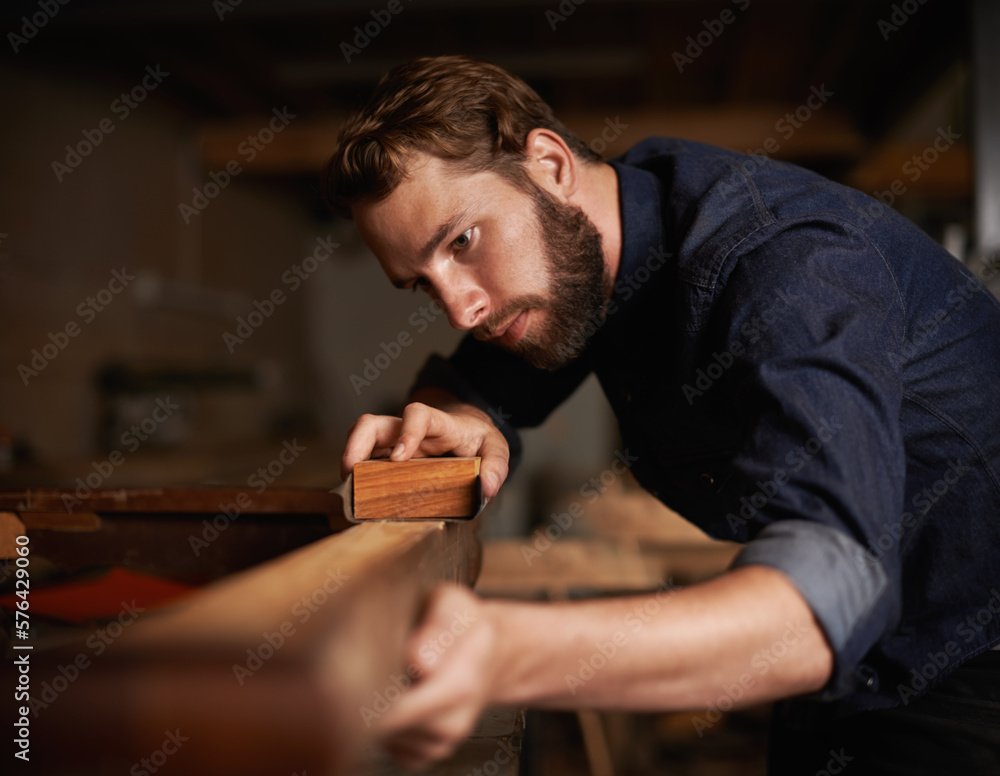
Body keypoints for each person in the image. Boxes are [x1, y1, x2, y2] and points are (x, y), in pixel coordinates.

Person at [322, 55, 1000, 774]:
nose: (462, 307)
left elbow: (821, 602)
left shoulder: (789, 265)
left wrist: (508, 651)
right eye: (422, 285)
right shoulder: (601, 236)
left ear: (549, 164)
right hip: (849, 679)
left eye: (462, 243)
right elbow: (481, 379)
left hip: (973, 671)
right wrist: (465, 413)